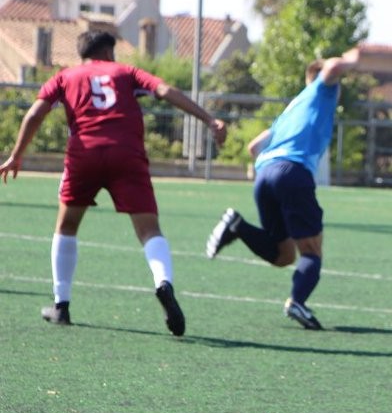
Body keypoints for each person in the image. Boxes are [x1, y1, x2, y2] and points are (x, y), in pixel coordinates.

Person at [0, 29, 227, 335]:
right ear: (108, 52)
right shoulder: (126, 72)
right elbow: (165, 90)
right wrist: (209, 119)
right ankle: (163, 282)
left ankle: (61, 305)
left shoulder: (66, 76)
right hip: (127, 153)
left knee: (66, 227)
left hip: (84, 153)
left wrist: (16, 155)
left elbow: (35, 114)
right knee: (149, 230)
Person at [204, 48, 360, 330]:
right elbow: (333, 68)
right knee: (311, 250)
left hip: (265, 175)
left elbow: (254, 147)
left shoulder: (292, 109)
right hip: (292, 173)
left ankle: (237, 225)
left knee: (283, 255)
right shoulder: (320, 93)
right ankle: (297, 302)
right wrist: (352, 59)